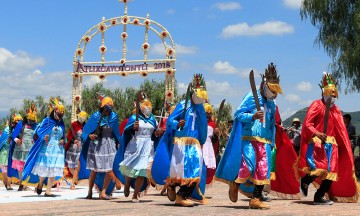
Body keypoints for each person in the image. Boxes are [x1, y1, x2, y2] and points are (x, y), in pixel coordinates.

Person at [216, 63, 283, 210]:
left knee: (263, 169)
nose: (275, 94)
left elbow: (272, 124)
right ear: (265, 86)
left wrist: (272, 142)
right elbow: (238, 114)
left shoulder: (272, 104)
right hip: (250, 138)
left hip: (265, 140)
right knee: (248, 165)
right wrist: (252, 116)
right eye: (272, 90)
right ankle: (235, 183)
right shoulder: (252, 96)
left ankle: (255, 199)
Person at [298, 72, 360, 205]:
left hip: (332, 145)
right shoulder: (316, 105)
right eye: (329, 93)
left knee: (331, 173)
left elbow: (341, 130)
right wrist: (316, 133)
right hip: (317, 143)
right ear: (323, 93)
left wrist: (344, 146)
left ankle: (319, 196)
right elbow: (307, 123)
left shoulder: (336, 109)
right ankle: (305, 181)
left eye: (334, 94)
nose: (332, 96)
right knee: (319, 168)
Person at [152, 74, 208, 207]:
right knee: (181, 169)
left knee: (195, 170)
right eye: (199, 97)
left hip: (194, 142)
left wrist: (202, 140)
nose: (200, 100)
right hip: (181, 142)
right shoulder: (183, 105)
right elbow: (170, 120)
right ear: (193, 94)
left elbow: (203, 125)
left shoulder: (200, 108)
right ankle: (178, 193)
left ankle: (178, 191)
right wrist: (178, 124)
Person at [118, 94, 164, 202]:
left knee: (142, 171)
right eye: (145, 105)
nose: (147, 107)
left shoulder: (153, 119)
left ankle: (135, 195)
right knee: (130, 169)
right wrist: (132, 128)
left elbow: (154, 134)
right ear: (140, 107)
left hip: (147, 147)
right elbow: (126, 131)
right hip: (135, 145)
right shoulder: (134, 117)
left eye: (149, 105)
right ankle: (128, 183)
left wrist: (158, 133)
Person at [22, 98, 66, 197]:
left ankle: (48, 191)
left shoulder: (62, 123)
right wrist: (43, 136)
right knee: (45, 168)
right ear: (55, 110)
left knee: (54, 169)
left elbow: (63, 135)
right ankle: (41, 183)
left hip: (58, 149)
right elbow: (39, 132)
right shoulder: (47, 121)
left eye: (63, 111)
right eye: (60, 110)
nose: (62, 112)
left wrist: (63, 140)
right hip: (46, 148)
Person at [80, 96, 121, 200]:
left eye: (110, 109)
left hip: (110, 145)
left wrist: (119, 142)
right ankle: (89, 191)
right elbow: (86, 131)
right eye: (106, 108)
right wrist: (90, 136)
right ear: (102, 107)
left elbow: (116, 132)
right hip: (97, 145)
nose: (108, 111)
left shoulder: (114, 117)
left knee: (109, 168)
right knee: (94, 170)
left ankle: (103, 192)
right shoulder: (96, 116)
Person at [8, 106, 38, 191]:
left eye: (33, 119)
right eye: (30, 119)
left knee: (29, 166)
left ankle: (30, 183)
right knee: (21, 166)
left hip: (30, 149)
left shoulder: (36, 126)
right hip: (21, 148)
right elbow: (14, 134)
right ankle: (22, 183)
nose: (32, 121)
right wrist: (16, 139)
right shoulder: (21, 124)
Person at [65, 111, 88, 190]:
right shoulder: (74, 125)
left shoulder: (85, 126)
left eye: (83, 118)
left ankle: (72, 184)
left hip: (79, 149)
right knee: (70, 166)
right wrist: (73, 141)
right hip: (71, 148)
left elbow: (85, 137)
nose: (82, 119)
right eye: (81, 117)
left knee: (75, 166)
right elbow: (68, 136)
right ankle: (76, 177)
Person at [202, 103, 219, 185]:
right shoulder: (199, 122)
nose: (208, 115)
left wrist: (216, 134)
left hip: (208, 147)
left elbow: (214, 141)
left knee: (206, 165)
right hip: (199, 144)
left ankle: (202, 184)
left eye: (209, 113)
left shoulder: (213, 124)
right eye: (206, 113)